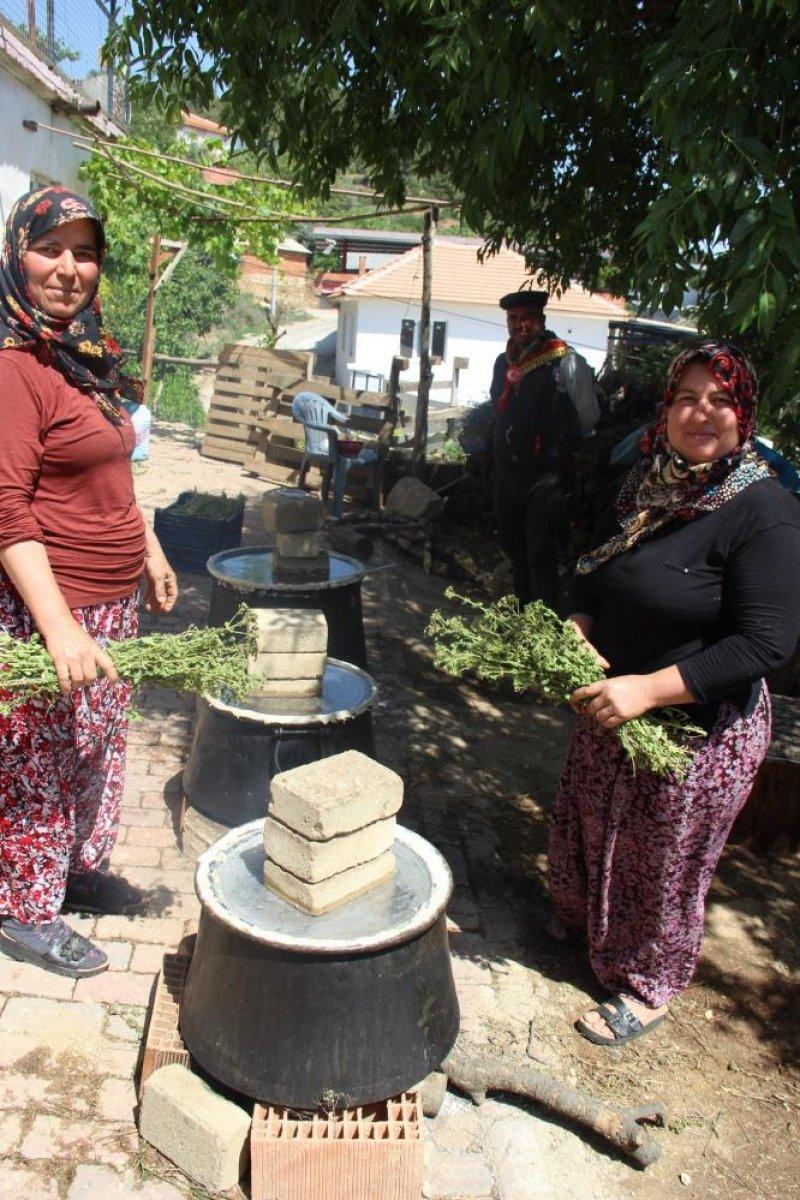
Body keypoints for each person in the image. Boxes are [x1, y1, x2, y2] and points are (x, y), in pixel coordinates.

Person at [548, 341, 800, 1046]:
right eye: (687, 396)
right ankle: (585, 927)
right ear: (667, 407)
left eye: (721, 400)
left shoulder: (766, 512)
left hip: (696, 729)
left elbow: (765, 645)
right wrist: (579, 626)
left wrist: (648, 692)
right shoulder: (645, 483)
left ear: (744, 415)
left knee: (659, 865)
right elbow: (594, 572)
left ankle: (646, 986)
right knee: (595, 824)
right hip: (613, 704)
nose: (702, 413)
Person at [0, 187, 178, 978]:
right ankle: (24, 911)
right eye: (52, 249)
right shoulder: (14, 366)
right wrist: (60, 627)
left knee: (96, 747)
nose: (70, 269)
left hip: (113, 603)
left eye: (86, 252)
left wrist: (150, 547)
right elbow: (5, 509)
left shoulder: (87, 354)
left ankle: (73, 870)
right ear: (16, 254)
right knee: (38, 760)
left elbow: (115, 470)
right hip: (53, 609)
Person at [490, 290, 599, 607]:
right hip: (508, 475)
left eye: (526, 318)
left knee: (541, 554)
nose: (519, 325)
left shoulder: (565, 360)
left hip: (545, 477)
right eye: (513, 319)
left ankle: (544, 628)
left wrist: (558, 441)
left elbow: (588, 415)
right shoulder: (503, 362)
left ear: (541, 320)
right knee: (515, 550)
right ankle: (522, 623)